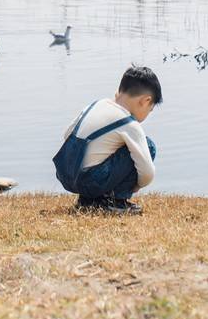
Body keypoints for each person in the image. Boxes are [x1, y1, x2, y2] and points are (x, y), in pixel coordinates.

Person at [53, 64, 161, 215]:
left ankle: (88, 200)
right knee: (148, 146)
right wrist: (135, 185)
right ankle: (114, 201)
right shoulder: (130, 124)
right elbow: (148, 173)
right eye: (150, 109)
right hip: (90, 181)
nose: (147, 114)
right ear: (145, 101)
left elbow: (67, 134)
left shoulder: (95, 105)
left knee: (106, 149)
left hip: (65, 174)